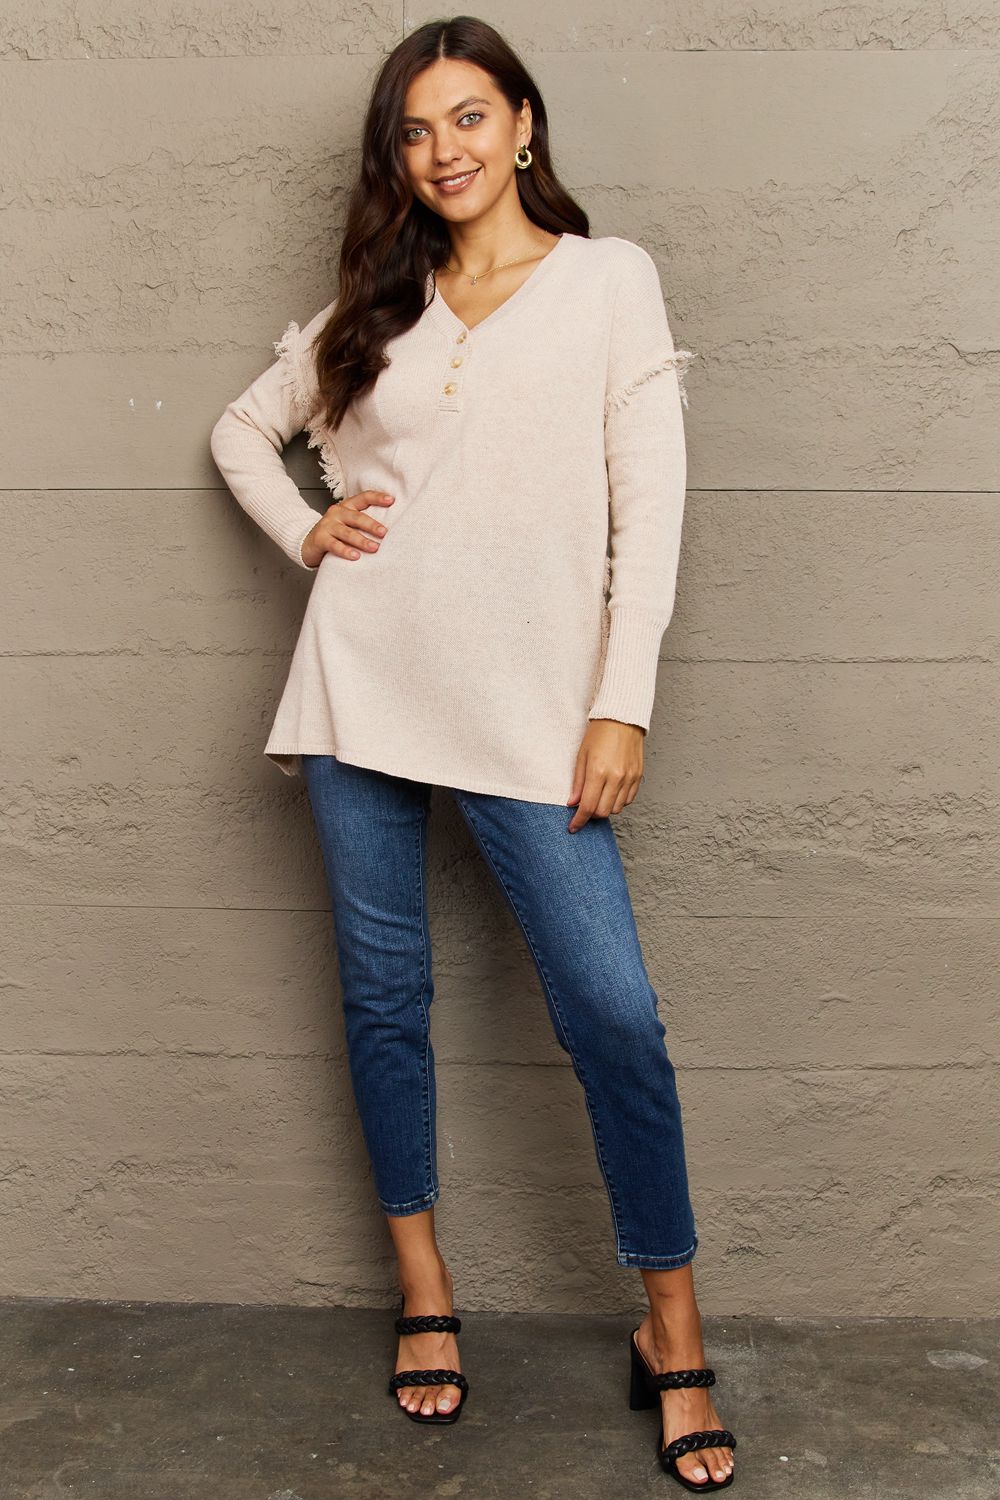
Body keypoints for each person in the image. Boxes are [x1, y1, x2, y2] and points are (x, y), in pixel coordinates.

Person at [210, 15, 737, 1491]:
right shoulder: (379, 304)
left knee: (613, 1012)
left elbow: (651, 509)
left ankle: (671, 1327)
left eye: (468, 117)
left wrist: (621, 703)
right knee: (385, 997)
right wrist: (309, 530)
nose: (442, 150)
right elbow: (243, 434)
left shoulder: (607, 281)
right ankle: (426, 1290)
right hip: (363, 685)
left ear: (522, 124)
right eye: (414, 130)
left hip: (534, 713)